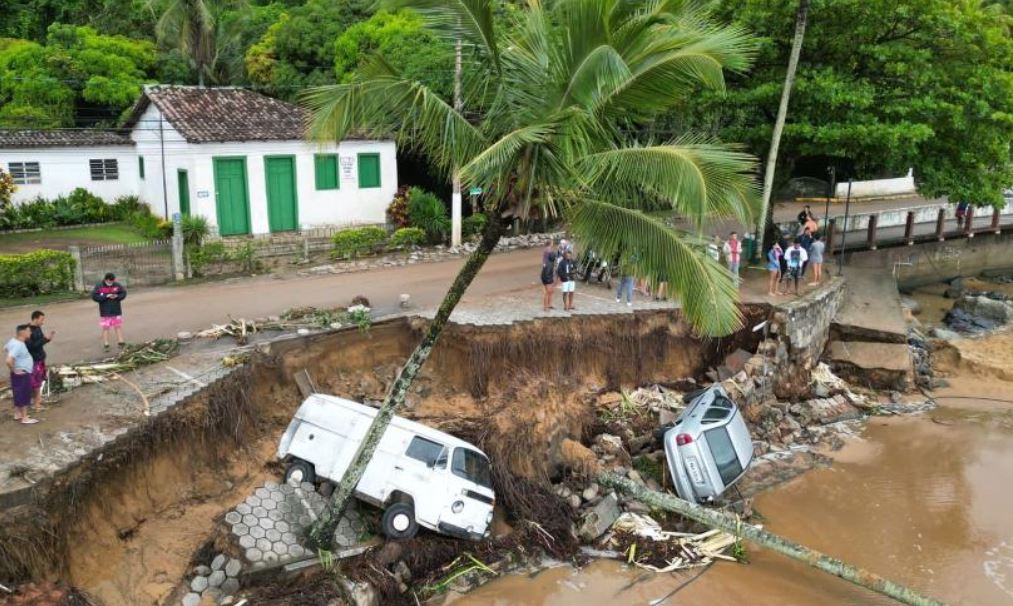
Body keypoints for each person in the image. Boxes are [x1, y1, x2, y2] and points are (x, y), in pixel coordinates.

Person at [6, 324, 37, 424]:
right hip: (21, 373)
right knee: (24, 394)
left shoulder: (13, 341)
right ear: (22, 332)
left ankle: (17, 414)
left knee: (17, 393)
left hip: (18, 373)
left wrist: (16, 362)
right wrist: (14, 368)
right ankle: (25, 418)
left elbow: (6, 348)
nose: (30, 333)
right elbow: (8, 360)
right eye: (29, 331)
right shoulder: (18, 345)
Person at [26, 310, 54, 413]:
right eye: (41, 320)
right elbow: (31, 347)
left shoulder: (38, 328)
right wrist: (44, 340)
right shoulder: (28, 330)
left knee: (40, 380)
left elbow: (40, 342)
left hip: (41, 358)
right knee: (35, 382)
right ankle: (36, 404)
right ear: (35, 319)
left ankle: (38, 400)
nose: (43, 322)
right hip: (34, 360)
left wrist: (47, 339)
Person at [92, 272, 127, 350]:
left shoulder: (117, 285)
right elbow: (94, 296)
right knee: (106, 327)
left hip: (116, 310)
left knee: (117, 326)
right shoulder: (99, 286)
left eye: (112, 281)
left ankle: (121, 342)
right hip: (105, 311)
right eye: (109, 281)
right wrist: (106, 296)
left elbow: (123, 293)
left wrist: (117, 296)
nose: (111, 283)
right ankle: (106, 344)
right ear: (105, 279)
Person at [540, 241, 557, 311]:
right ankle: (545, 307)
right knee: (548, 291)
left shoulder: (547, 252)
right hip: (546, 275)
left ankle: (549, 305)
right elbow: (552, 255)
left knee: (551, 291)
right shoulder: (548, 251)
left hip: (548, 274)